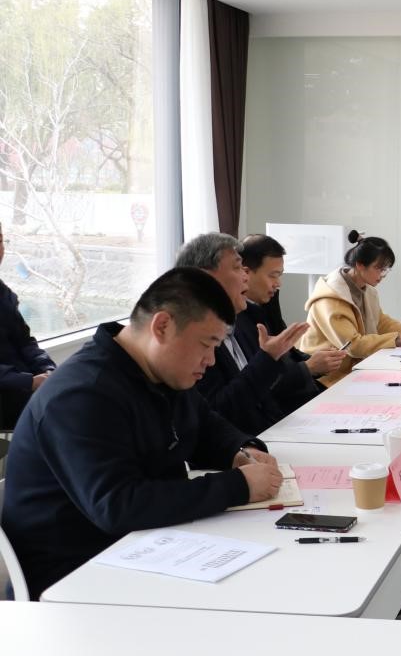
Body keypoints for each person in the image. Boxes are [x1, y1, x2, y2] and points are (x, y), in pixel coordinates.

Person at [1, 267, 284, 601]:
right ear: (162, 326)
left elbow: (204, 424)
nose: (210, 360)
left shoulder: (160, 372)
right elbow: (117, 506)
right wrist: (238, 486)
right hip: (73, 579)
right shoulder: (82, 394)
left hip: (147, 548)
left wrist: (240, 451)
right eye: (206, 344)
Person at [175, 233, 309, 436]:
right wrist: (268, 359)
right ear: (205, 278)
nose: (246, 277)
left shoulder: (245, 319)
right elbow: (218, 412)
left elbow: (265, 400)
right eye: (238, 268)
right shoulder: (189, 337)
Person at [299, 231, 401, 387]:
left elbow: (380, 322)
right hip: (327, 377)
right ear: (360, 265)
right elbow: (353, 346)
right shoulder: (330, 299)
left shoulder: (367, 290)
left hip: (355, 367)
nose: (383, 275)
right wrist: (399, 336)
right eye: (379, 268)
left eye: (386, 269)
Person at [239, 234, 345, 412]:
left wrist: (316, 361)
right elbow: (260, 382)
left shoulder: (266, 304)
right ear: (246, 273)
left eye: (280, 275)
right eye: (273, 276)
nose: (278, 283)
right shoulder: (236, 318)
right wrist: (308, 368)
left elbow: (289, 354)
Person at [0, 221, 56, 427]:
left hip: (24, 393)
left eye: (0, 240)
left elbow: (25, 341)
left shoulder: (4, 294)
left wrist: (48, 369)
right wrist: (29, 382)